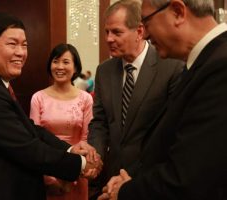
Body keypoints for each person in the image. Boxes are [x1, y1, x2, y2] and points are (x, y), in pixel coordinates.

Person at [0, 12, 102, 200]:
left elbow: (29, 129)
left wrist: (69, 149)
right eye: (12, 44)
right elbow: (26, 147)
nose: (21, 53)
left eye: (24, 45)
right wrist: (81, 164)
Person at [98, 0, 227, 199]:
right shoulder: (204, 63)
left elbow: (189, 176)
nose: (146, 34)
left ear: (177, 12)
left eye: (147, 22)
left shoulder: (220, 67)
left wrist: (125, 191)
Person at [87, 0, 184, 198]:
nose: (109, 39)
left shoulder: (171, 66)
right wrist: (95, 156)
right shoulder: (104, 71)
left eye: (116, 32)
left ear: (139, 31)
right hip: (108, 180)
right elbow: (100, 122)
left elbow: (172, 132)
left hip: (149, 182)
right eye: (106, 32)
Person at [30, 43, 93, 200]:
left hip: (77, 171)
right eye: (55, 61)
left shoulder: (85, 98)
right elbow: (34, 138)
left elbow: (86, 138)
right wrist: (48, 177)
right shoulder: (38, 97)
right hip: (47, 170)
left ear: (76, 67)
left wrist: (76, 169)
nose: (59, 67)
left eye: (66, 62)